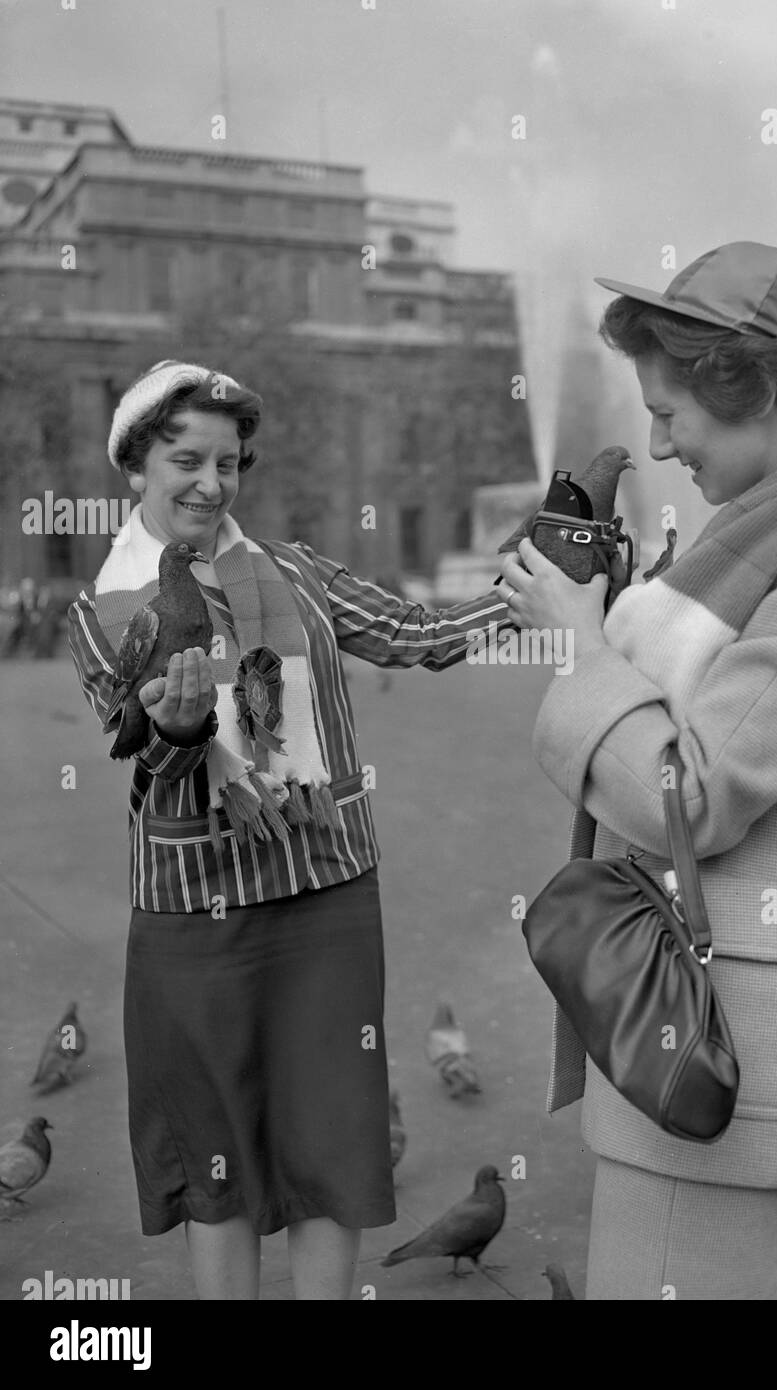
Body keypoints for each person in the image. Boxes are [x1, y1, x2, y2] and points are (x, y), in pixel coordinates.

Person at [499, 242, 777, 1300]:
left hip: (728, 1042)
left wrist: (586, 648)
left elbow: (685, 796)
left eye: (671, 410)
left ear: (750, 387)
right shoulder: (771, 531)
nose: (654, 441)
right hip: (708, 1022)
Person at [66, 359, 512, 1300]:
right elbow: (146, 764)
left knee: (330, 1141)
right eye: (185, 459)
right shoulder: (103, 614)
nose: (209, 484)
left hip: (325, 895)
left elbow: (417, 634)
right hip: (196, 912)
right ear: (136, 464)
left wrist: (542, 588)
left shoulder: (298, 572)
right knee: (214, 1158)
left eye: (228, 464)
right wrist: (183, 733)